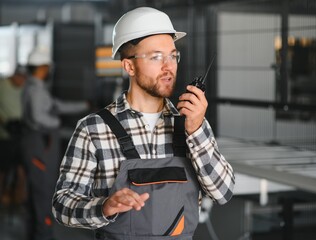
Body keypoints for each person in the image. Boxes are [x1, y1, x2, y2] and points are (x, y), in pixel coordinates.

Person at [52, 7, 235, 240]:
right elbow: (62, 204)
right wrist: (104, 207)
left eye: (173, 55)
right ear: (129, 66)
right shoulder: (93, 129)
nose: (168, 66)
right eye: (156, 57)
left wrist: (196, 131)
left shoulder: (191, 123)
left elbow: (223, 193)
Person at [22, 46, 89, 240]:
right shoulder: (35, 90)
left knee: (38, 192)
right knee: (43, 192)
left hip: (38, 142)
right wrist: (56, 123)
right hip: (40, 144)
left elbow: (56, 105)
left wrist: (83, 106)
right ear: (42, 67)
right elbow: (38, 116)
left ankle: (37, 234)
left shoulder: (34, 87)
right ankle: (44, 235)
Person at [0, 66, 27, 206]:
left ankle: (18, 196)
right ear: (15, 76)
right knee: (3, 168)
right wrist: (5, 122)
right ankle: (3, 195)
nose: (23, 82)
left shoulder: (25, 88)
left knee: (21, 168)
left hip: (21, 134)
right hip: (5, 136)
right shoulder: (2, 85)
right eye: (21, 79)